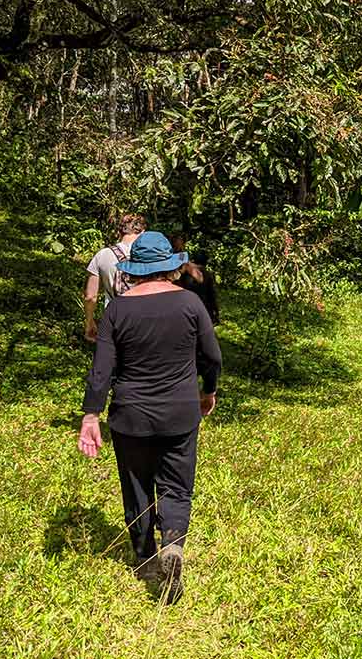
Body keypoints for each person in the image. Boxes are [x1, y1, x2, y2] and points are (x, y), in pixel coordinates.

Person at [78, 231, 221, 604]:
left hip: (130, 416)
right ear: (170, 268)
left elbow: (101, 371)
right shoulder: (190, 303)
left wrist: (90, 415)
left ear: (135, 270)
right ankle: (172, 544)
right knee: (176, 486)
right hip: (179, 412)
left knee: (137, 487)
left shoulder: (117, 309)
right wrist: (209, 390)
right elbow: (212, 356)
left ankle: (145, 559)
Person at [83, 213, 146, 343]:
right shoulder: (150, 255)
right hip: (146, 322)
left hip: (114, 321)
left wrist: (89, 322)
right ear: (143, 232)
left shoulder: (102, 255)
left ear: (119, 231)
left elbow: (90, 297)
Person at [170, 234, 219, 326]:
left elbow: (183, 266)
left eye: (181, 242)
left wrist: (188, 267)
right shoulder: (169, 254)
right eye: (177, 242)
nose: (179, 244)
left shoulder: (182, 254)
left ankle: (211, 314)